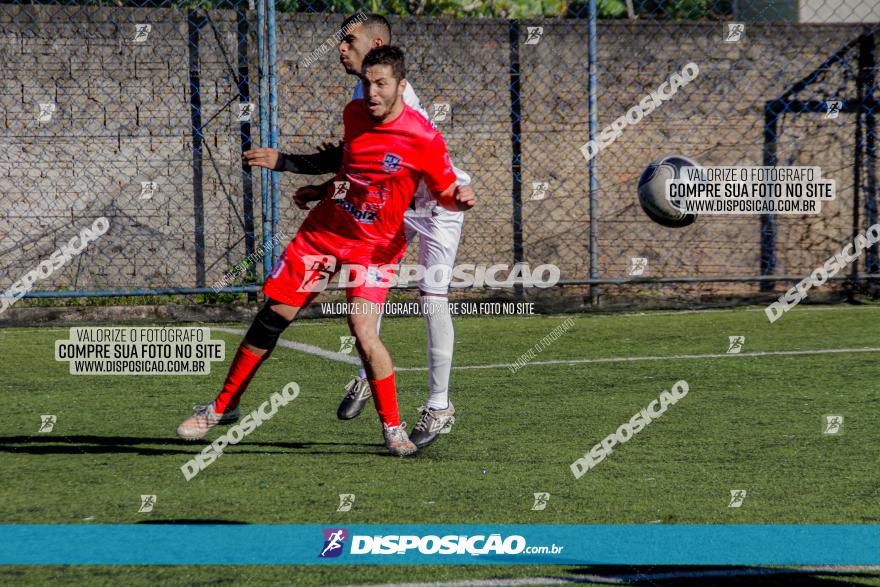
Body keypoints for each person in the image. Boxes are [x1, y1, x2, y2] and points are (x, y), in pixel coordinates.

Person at [177, 45, 475, 457]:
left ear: (401, 87)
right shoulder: (353, 116)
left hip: (373, 249)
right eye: (366, 83)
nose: (371, 92)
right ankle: (222, 407)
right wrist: (320, 189)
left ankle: (393, 428)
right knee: (274, 316)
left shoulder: (423, 136)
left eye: (381, 84)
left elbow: (444, 194)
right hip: (324, 235)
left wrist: (460, 199)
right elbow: (352, 170)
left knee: (362, 329)